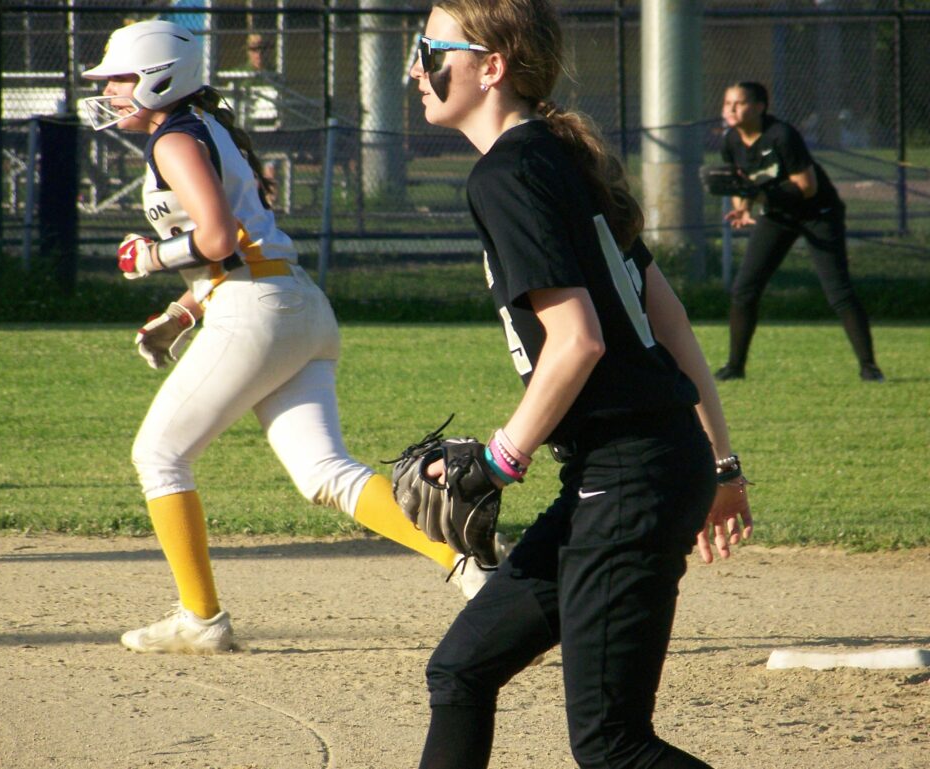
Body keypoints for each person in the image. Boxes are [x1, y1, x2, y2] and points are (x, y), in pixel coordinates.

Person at [407, 2, 753, 767]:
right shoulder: (560, 156)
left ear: (491, 66)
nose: (416, 65)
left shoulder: (508, 171)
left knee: (612, 745)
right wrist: (720, 464)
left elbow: (579, 342)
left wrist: (497, 459)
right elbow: (671, 326)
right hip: (637, 467)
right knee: (460, 669)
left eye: (431, 47)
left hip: (630, 473)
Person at [81, 20, 484, 654]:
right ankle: (471, 568)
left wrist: (147, 259)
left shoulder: (173, 140)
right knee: (325, 472)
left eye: (121, 79)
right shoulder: (201, 130)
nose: (110, 92)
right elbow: (243, 249)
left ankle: (201, 618)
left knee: (159, 456)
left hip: (259, 310)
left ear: (162, 77)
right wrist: (182, 314)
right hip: (295, 305)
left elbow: (218, 242)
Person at [716, 81, 884, 382]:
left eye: (738, 103)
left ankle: (870, 367)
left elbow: (807, 187)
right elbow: (740, 183)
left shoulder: (781, 135)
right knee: (744, 289)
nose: (730, 109)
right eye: (727, 103)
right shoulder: (731, 141)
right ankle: (734, 368)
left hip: (818, 214)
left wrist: (761, 197)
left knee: (838, 292)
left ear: (759, 107)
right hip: (778, 215)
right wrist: (743, 208)